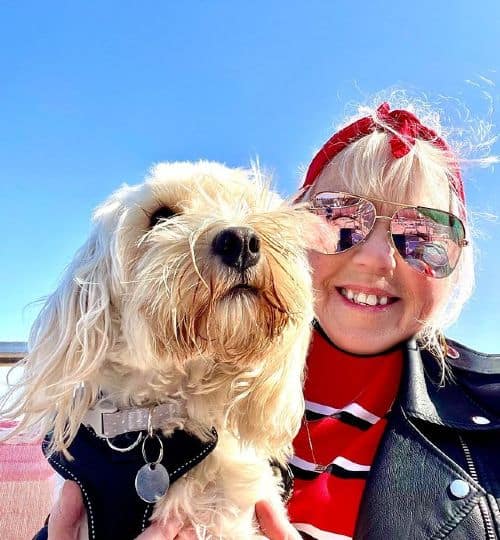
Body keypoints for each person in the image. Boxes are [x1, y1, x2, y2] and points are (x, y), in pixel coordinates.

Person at [47, 98, 500, 539]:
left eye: (423, 236)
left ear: (460, 261)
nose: (377, 259)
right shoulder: (136, 415)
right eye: (341, 219)